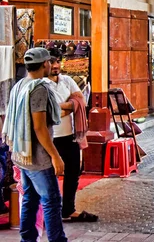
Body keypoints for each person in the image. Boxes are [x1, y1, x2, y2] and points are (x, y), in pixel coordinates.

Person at [2, 48, 67, 242]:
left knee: (30, 198)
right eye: (50, 62)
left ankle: (28, 239)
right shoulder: (39, 89)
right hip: (37, 157)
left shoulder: (21, 84)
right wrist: (55, 156)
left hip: (22, 153)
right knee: (52, 201)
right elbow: (39, 128)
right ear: (45, 63)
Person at [46, 57, 97, 222]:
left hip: (70, 136)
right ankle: (51, 212)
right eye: (51, 63)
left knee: (73, 173)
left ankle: (68, 209)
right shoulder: (41, 85)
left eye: (57, 63)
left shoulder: (67, 80)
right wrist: (69, 105)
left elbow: (80, 100)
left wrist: (62, 106)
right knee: (49, 176)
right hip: (50, 137)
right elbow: (48, 108)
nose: (55, 66)